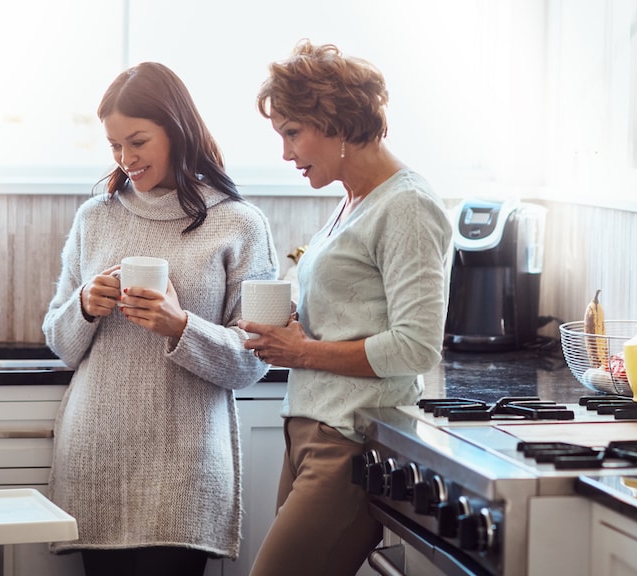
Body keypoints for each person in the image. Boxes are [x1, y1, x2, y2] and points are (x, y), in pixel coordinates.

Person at [42, 61, 279, 576]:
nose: (126, 159)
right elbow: (59, 342)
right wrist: (85, 304)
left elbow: (256, 357)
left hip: (184, 469)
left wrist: (180, 325)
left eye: (138, 141)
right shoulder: (96, 217)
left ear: (176, 129)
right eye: (114, 146)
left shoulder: (239, 224)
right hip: (96, 460)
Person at [240, 40, 453, 576]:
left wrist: (304, 351)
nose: (287, 154)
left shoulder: (407, 206)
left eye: (292, 132)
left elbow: (416, 346)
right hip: (311, 428)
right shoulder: (353, 199)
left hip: (350, 441)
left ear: (334, 122)